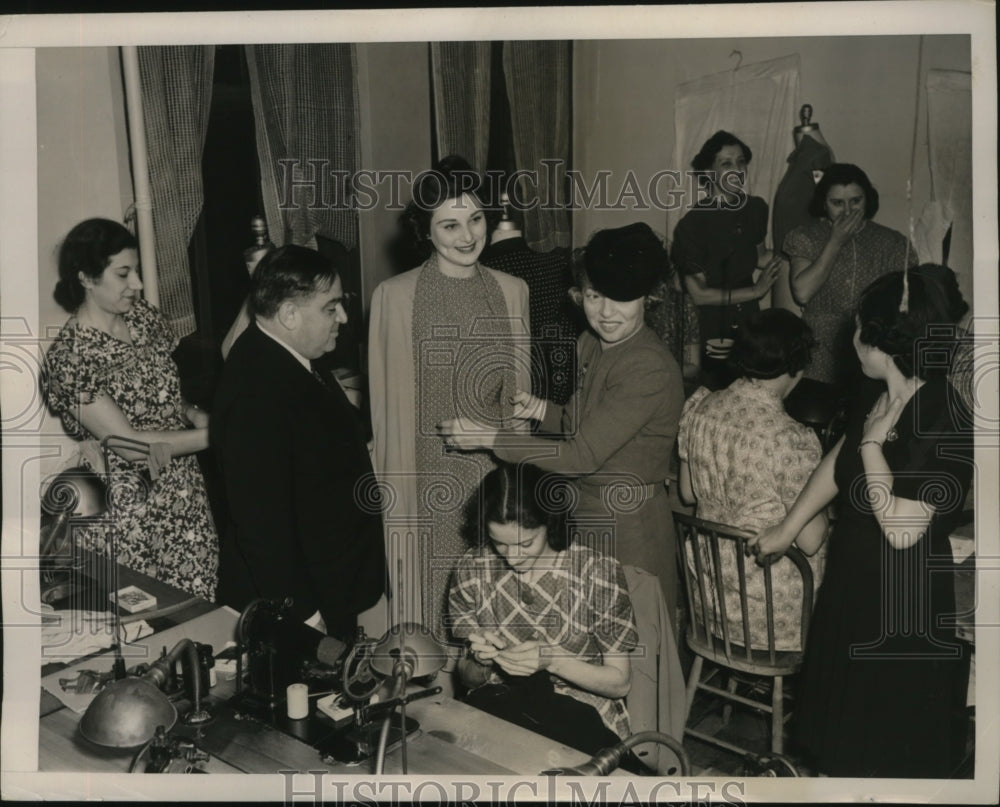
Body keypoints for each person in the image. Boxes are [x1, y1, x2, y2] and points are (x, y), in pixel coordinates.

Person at [750, 268, 973, 778]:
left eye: (858, 327)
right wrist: (788, 528)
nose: (850, 339)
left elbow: (901, 529)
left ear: (882, 339)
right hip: (851, 585)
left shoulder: (943, 415)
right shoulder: (877, 395)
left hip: (900, 607)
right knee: (837, 741)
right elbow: (838, 460)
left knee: (882, 753)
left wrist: (874, 445)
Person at [439, 221, 684, 629]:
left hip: (627, 522)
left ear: (649, 298)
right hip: (585, 510)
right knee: (584, 632)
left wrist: (492, 438)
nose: (605, 312)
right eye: (594, 296)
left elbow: (580, 454)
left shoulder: (647, 366)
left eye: (622, 300)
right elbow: (580, 423)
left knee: (629, 641)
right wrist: (541, 410)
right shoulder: (591, 341)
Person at [368, 155, 530, 640]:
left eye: (476, 219)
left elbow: (518, 403)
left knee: (492, 617)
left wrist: (517, 481)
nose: (467, 236)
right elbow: (383, 409)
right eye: (450, 225)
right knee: (429, 612)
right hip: (421, 476)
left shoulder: (511, 291)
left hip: (491, 477)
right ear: (425, 230)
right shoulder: (394, 297)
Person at [212, 244, 386, 642]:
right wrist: (304, 616)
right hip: (299, 606)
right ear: (289, 314)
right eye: (331, 307)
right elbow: (260, 524)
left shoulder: (291, 354)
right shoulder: (254, 389)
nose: (342, 317)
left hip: (328, 587)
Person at [44, 218, 218, 601]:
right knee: (147, 621)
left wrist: (191, 412)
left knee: (197, 610)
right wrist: (219, 434)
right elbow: (129, 444)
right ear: (87, 278)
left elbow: (166, 394)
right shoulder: (70, 357)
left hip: (184, 496)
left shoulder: (145, 319)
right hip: (127, 512)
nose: (137, 284)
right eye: (124, 273)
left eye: (136, 271)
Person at [448, 462, 641, 763]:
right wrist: (478, 660)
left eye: (526, 543)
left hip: (583, 715)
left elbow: (620, 683)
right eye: (499, 543)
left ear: (550, 523)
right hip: (502, 706)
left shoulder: (596, 574)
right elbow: (469, 681)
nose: (512, 557)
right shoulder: (473, 568)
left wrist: (553, 660)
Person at [677, 309, 828, 651]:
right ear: (796, 368)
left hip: (711, 604)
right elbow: (810, 540)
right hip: (770, 617)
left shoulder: (699, 407)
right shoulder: (790, 439)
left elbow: (688, 492)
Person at [785, 163, 917, 387]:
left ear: (868, 200)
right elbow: (803, 293)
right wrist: (835, 242)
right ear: (823, 204)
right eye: (837, 203)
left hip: (874, 354)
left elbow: (908, 302)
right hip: (817, 356)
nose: (847, 211)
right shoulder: (805, 236)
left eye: (856, 201)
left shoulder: (893, 242)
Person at [671, 130, 782, 348]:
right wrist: (756, 291)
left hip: (749, 318)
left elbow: (761, 257)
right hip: (710, 322)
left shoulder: (755, 208)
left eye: (741, 162)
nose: (737, 170)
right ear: (709, 172)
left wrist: (800, 253)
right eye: (726, 164)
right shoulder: (693, 224)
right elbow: (699, 295)